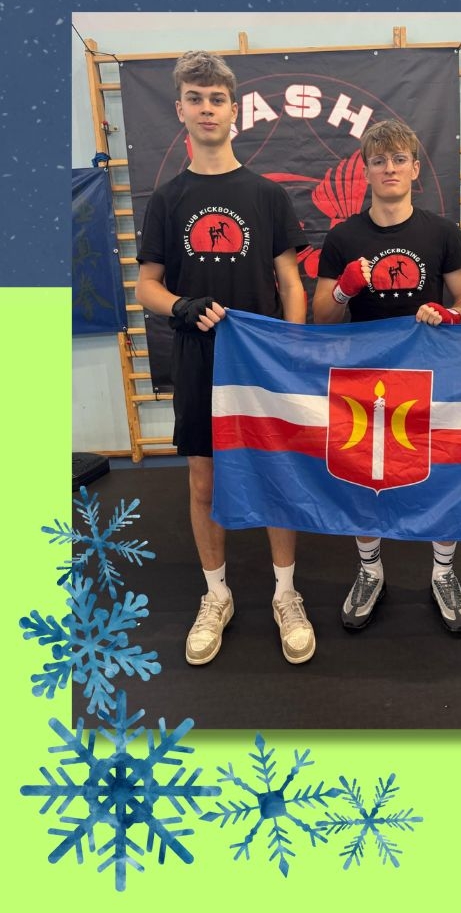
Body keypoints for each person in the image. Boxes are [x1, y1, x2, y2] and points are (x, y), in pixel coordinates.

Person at [133, 50, 310, 666]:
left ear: (234, 111)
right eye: (196, 99)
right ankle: (217, 595)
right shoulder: (168, 198)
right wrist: (180, 306)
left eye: (216, 99)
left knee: (276, 474)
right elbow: (146, 287)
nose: (206, 109)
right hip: (199, 358)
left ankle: (286, 594)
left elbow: (291, 283)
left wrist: (292, 349)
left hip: (261, 362)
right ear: (180, 109)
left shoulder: (266, 195)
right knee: (204, 479)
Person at [312, 119, 461, 634]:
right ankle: (370, 571)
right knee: (364, 475)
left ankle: (444, 572)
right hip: (363, 376)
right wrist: (343, 289)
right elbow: (322, 318)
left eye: (399, 159)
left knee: (441, 473)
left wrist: (451, 314)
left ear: (415, 169)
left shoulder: (441, 232)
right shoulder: (343, 237)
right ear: (365, 170)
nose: (389, 168)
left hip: (431, 372)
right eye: (379, 160)